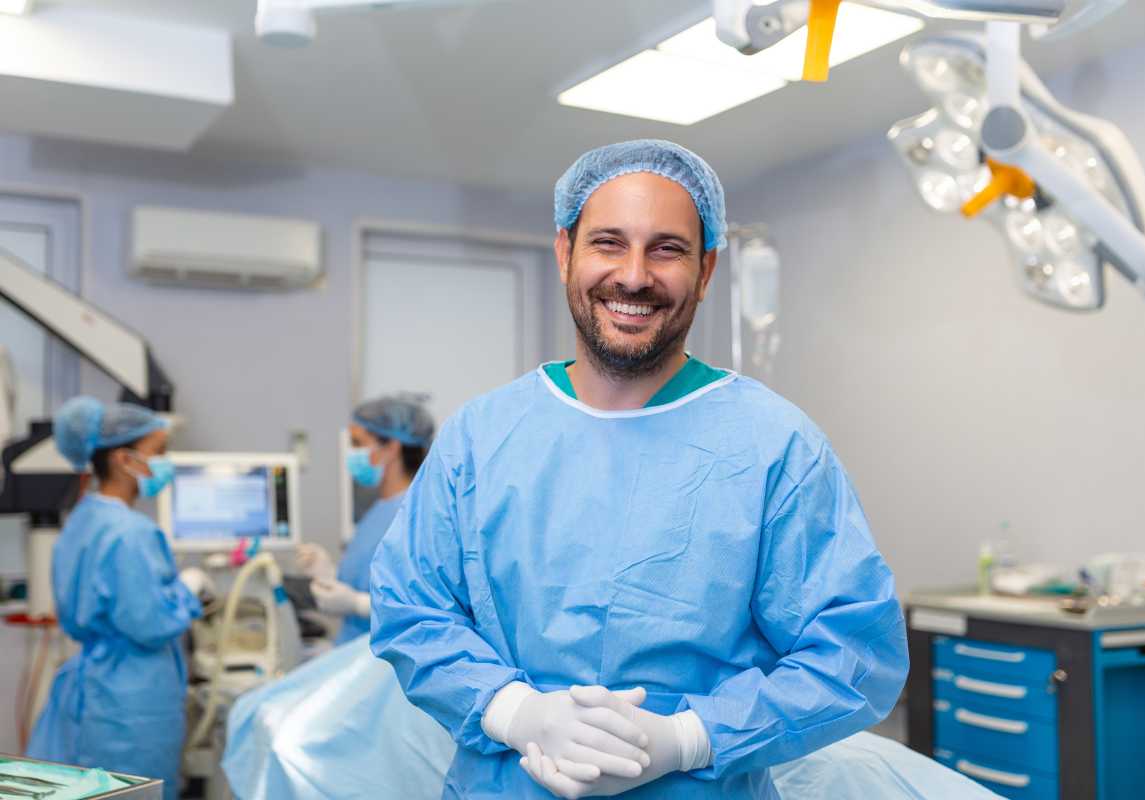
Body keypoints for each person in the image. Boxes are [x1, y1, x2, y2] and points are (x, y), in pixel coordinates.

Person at [370, 139, 908, 799]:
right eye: (608, 243)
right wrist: (515, 713)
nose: (633, 276)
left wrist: (689, 738)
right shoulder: (480, 439)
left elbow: (856, 652)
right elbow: (411, 609)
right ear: (565, 252)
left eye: (667, 249)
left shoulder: (776, 446)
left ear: (706, 271)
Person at [26, 396, 212, 800]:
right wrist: (189, 587)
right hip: (132, 703)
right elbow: (150, 624)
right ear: (123, 459)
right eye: (158, 451)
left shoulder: (82, 519)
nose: (165, 462)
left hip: (96, 689)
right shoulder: (131, 533)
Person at [296, 393, 434, 645]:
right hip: (354, 651)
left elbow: (427, 610)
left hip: (383, 662)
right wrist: (328, 575)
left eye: (358, 443)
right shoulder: (379, 509)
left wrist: (357, 604)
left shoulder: (418, 517)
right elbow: (371, 582)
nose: (352, 453)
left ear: (391, 448)